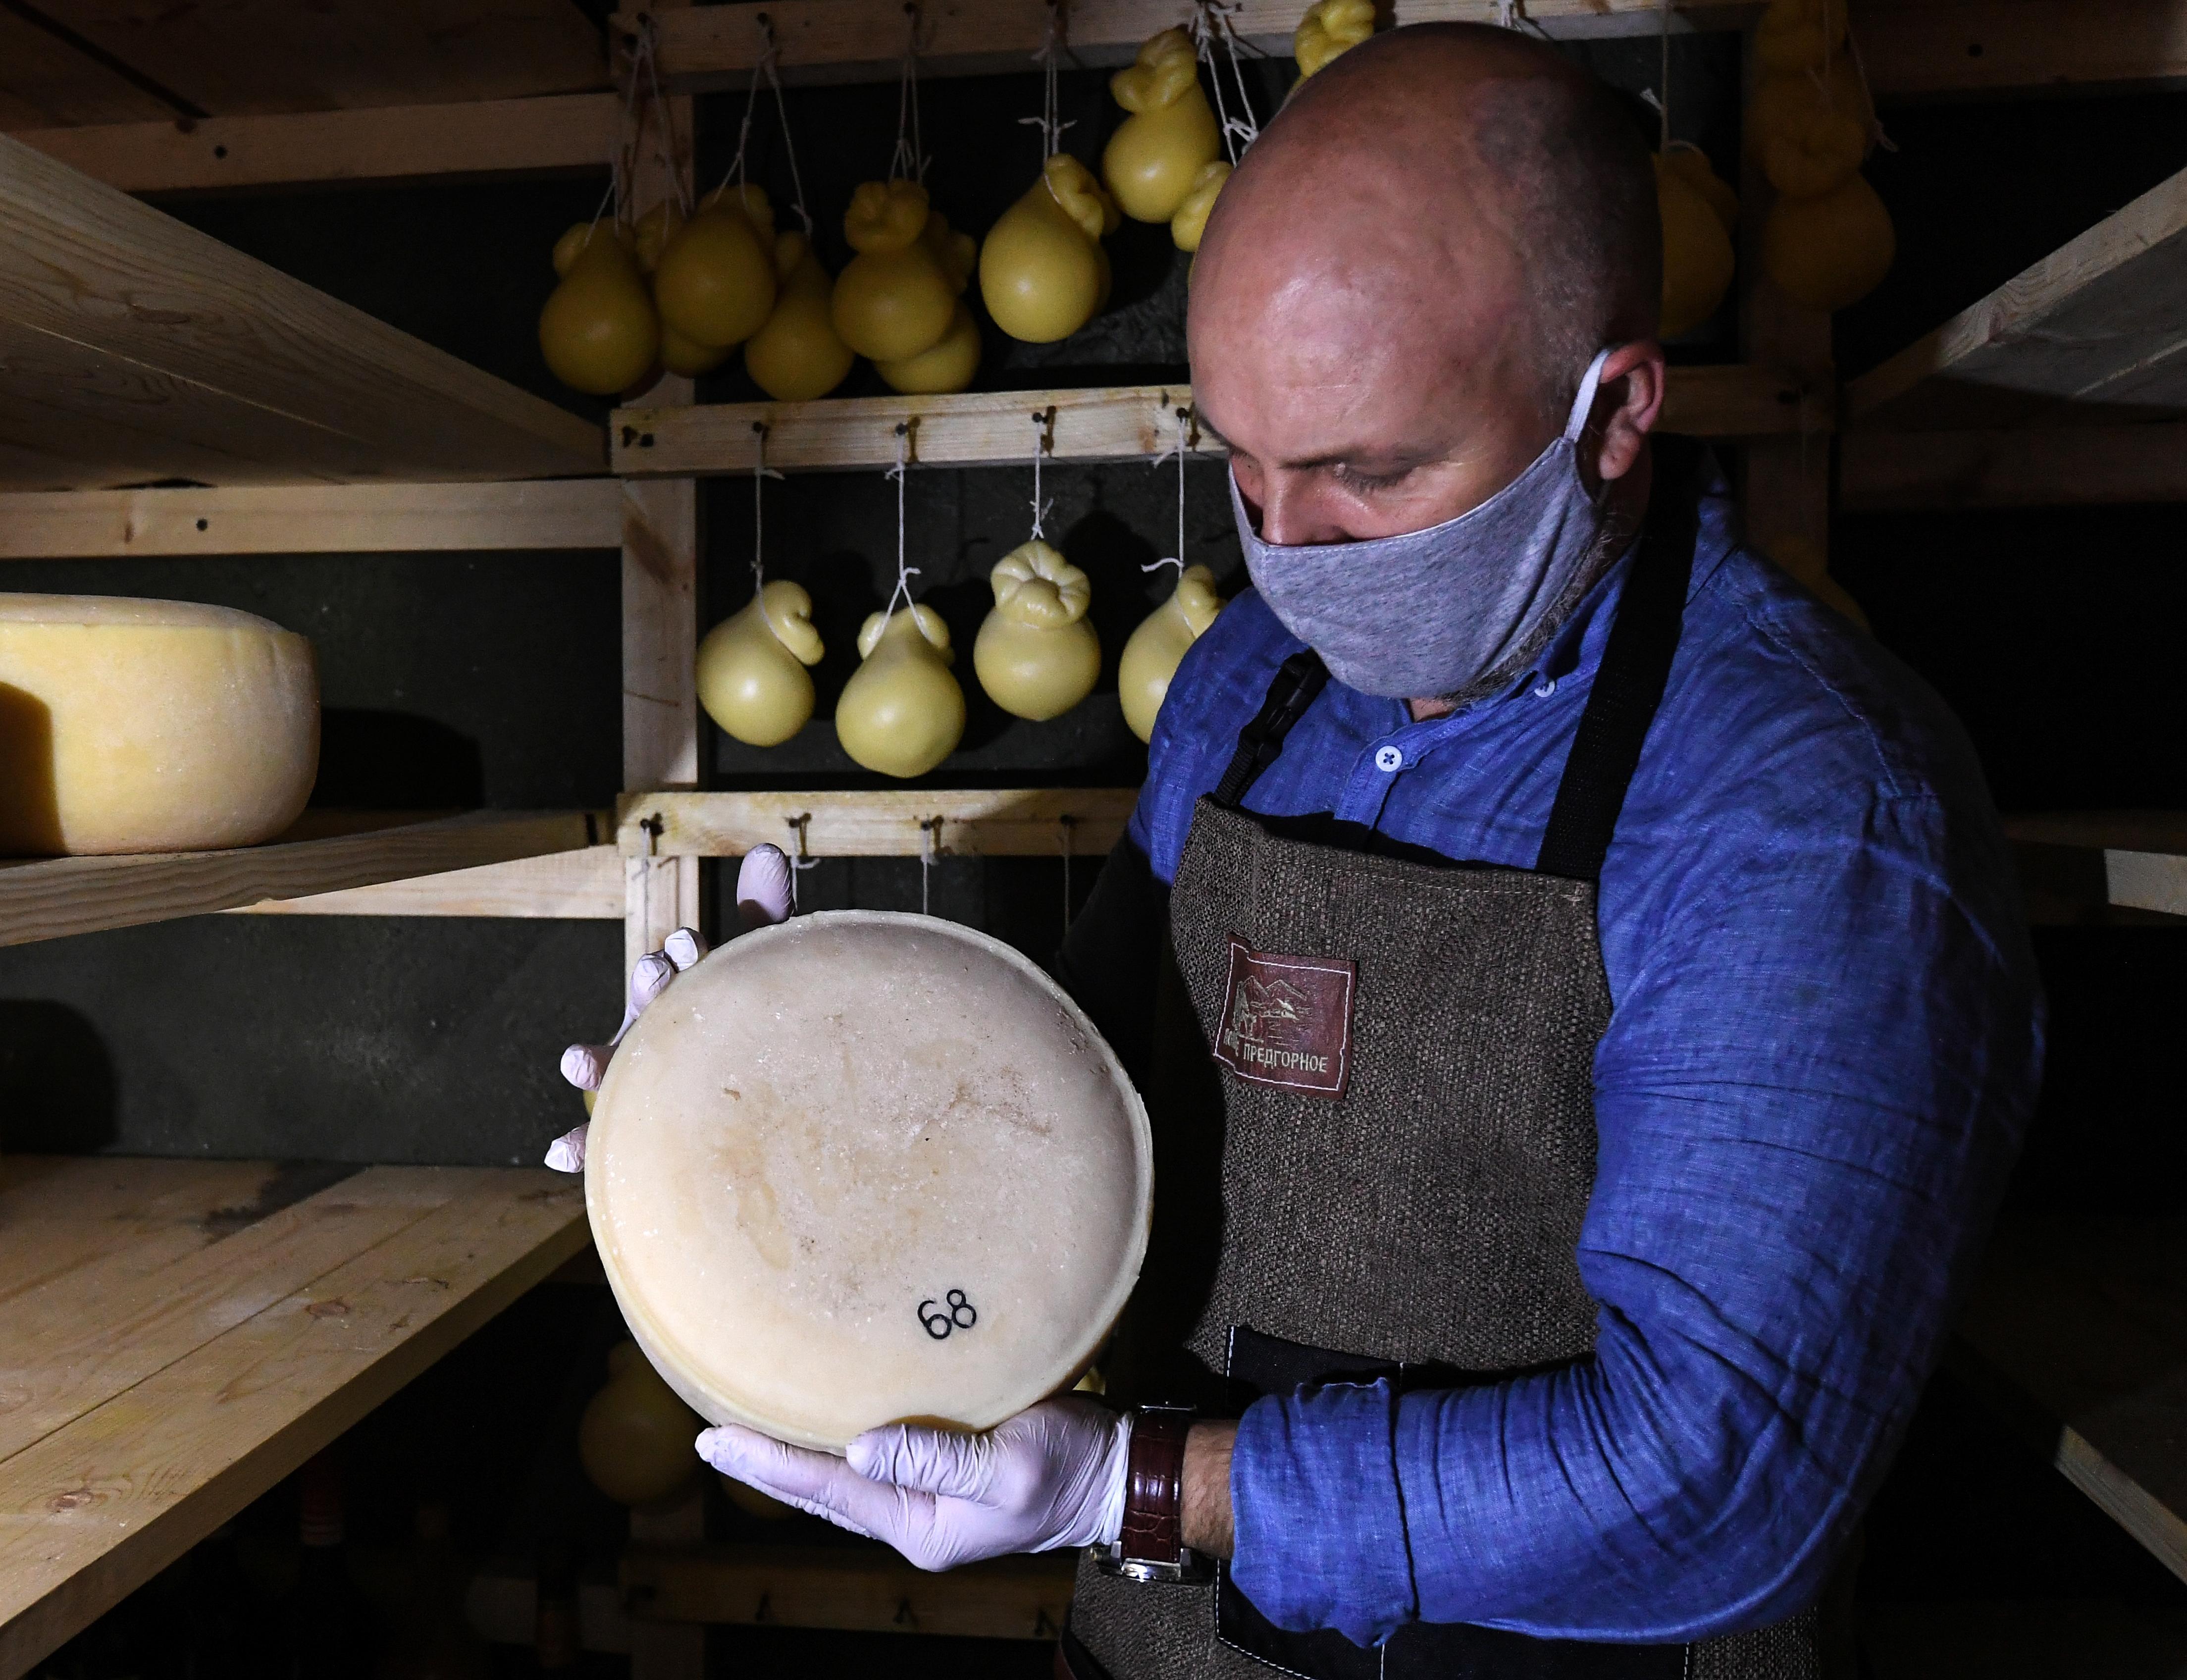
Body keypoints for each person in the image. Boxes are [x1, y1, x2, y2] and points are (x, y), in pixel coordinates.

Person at [553, 23, 2044, 1680]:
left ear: (1614, 412)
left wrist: (1133, 1488)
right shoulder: (1246, 682)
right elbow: (1074, 1127)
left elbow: (1713, 1476)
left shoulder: (1806, 813)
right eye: (1245, 467)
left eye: (1369, 474)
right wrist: (770, 1089)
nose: (1290, 549)